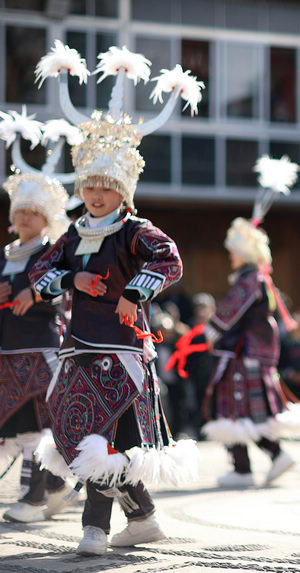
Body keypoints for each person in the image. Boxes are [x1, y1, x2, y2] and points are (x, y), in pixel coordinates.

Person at [29, 112, 196, 555]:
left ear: (122, 191)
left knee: (98, 439)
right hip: (78, 350)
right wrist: (72, 281)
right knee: (105, 440)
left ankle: (95, 530)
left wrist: (135, 293)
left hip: (121, 351)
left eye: (105, 186)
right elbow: (40, 274)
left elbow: (169, 259)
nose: (96, 195)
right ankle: (142, 519)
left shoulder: (134, 231)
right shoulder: (71, 234)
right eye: (89, 186)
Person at [200, 155, 300, 488]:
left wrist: (212, 327)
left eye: (233, 250)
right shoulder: (255, 277)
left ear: (243, 252)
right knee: (239, 411)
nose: (229, 255)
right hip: (249, 354)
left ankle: (256, 463)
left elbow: (233, 307)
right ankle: (254, 463)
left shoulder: (249, 278)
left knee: (238, 410)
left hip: (246, 354)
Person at [0, 149, 72, 523]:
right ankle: (58, 488)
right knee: (19, 426)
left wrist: (30, 291)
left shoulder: (51, 253)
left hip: (40, 348)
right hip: (7, 351)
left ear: (45, 218)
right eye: (20, 211)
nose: (25, 217)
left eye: (33, 212)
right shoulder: (6, 253)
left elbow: (62, 290)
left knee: (39, 425)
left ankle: (31, 499)